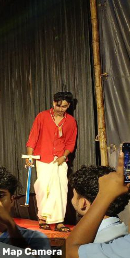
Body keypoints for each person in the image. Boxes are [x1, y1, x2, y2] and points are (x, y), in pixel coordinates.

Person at [26, 91, 77, 231]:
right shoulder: (42, 116)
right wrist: (29, 157)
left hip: (60, 160)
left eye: (64, 106)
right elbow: (33, 137)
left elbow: (71, 142)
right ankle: (43, 218)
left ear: (68, 106)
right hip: (43, 157)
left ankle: (59, 221)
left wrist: (63, 157)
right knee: (43, 188)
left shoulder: (71, 121)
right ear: (53, 103)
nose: (60, 109)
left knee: (60, 189)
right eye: (58, 106)